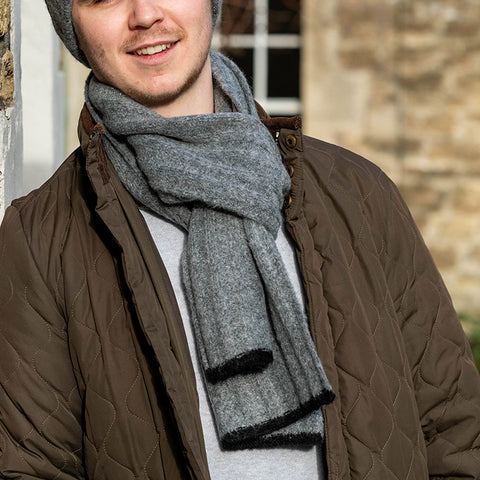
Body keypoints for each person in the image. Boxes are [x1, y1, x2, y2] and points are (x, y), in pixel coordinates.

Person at [0, 0, 479, 478]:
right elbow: (31, 466)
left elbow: (455, 435)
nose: (144, 14)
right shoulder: (41, 237)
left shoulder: (359, 195)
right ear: (72, 28)